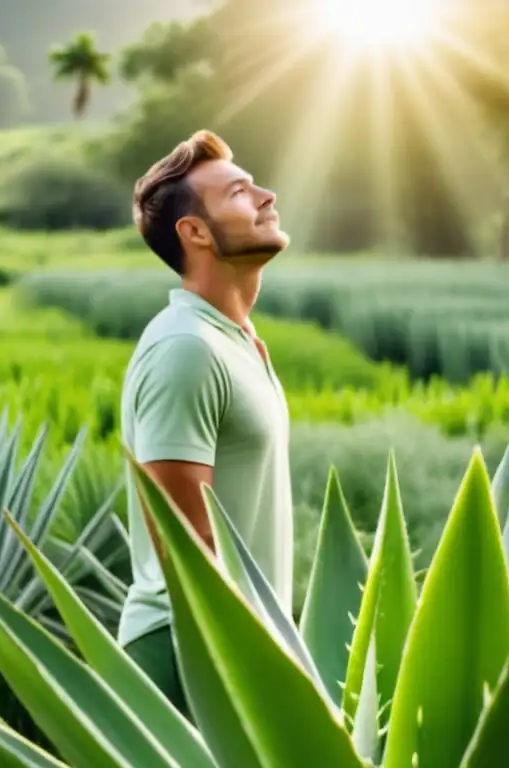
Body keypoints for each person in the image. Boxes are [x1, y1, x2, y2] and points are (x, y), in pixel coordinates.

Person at [117, 130, 294, 717]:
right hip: (190, 655)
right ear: (194, 233)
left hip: (239, 645)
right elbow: (187, 546)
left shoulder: (234, 341)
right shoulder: (186, 349)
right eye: (241, 193)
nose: (267, 195)